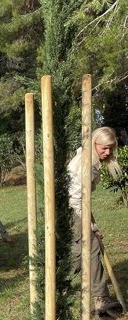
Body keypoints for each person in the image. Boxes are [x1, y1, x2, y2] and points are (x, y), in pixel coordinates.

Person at [67, 126, 122, 315]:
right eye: (104, 148)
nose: (108, 152)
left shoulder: (93, 162)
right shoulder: (84, 164)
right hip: (72, 209)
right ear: (94, 144)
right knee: (84, 251)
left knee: (87, 250)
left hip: (80, 208)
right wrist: (90, 225)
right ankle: (99, 299)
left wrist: (92, 225)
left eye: (111, 149)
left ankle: (99, 298)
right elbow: (74, 199)